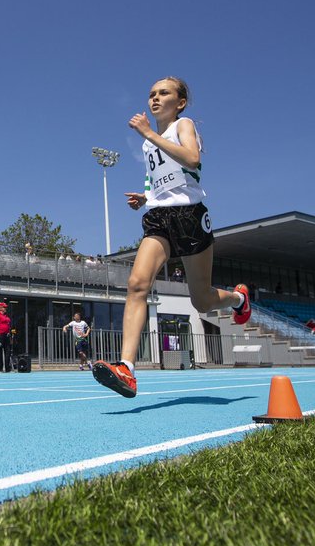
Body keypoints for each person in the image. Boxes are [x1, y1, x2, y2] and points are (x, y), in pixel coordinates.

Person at [92, 76, 250, 399]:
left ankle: (238, 299)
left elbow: (192, 159)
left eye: (163, 93)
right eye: (151, 93)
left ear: (179, 103)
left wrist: (149, 133)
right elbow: (157, 181)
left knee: (201, 300)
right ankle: (127, 368)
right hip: (159, 218)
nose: (154, 98)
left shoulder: (183, 125)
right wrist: (145, 198)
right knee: (137, 284)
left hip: (190, 216)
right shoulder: (148, 144)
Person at [0, 301, 12, 372]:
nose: (5, 308)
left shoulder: (6, 316)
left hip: (6, 335)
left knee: (8, 351)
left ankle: (7, 368)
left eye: (5, 307)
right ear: (0, 308)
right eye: (4, 307)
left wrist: (9, 332)